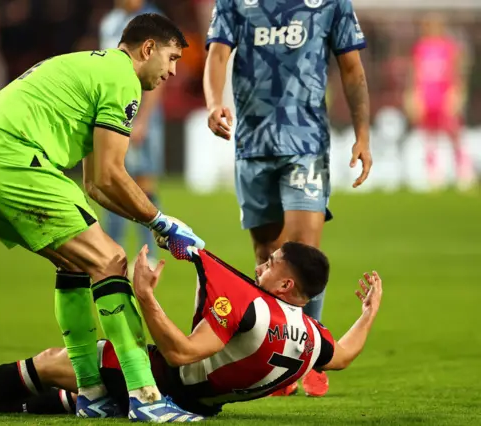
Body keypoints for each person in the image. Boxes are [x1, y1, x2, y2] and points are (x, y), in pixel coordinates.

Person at [0, 13, 207, 423]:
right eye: (172, 58)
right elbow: (111, 175)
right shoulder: (122, 79)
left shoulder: (92, 69)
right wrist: (162, 222)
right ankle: (145, 395)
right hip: (10, 160)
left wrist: (155, 223)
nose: (173, 71)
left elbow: (95, 186)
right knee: (110, 261)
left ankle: (92, 393)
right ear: (147, 49)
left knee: (75, 262)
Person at [0, 242, 383, 418]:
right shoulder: (311, 336)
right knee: (81, 393)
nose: (261, 262)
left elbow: (181, 352)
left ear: (286, 282)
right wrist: (367, 314)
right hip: (202, 402)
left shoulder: (256, 309)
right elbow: (343, 355)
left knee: (58, 362)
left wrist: (146, 297)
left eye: (272, 261)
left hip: (165, 382)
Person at [202, 0, 373, 396]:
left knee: (300, 253)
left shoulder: (330, 3)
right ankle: (270, 351)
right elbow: (217, 54)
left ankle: (307, 358)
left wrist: (363, 134)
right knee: (267, 255)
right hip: (252, 145)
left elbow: (352, 68)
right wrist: (213, 103)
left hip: (306, 144)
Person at [100, 0, 167, 269]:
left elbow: (159, 75)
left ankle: (147, 253)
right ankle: (111, 249)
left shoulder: (153, 20)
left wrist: (143, 120)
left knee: (143, 182)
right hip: (111, 112)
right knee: (108, 178)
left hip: (140, 114)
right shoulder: (108, 22)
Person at [405, 12, 474, 191]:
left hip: (445, 95)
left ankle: (464, 170)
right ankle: (434, 174)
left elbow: (457, 72)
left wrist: (457, 93)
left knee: (454, 133)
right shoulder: (420, 48)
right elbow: (414, 74)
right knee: (429, 136)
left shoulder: (450, 47)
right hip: (428, 96)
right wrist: (414, 95)